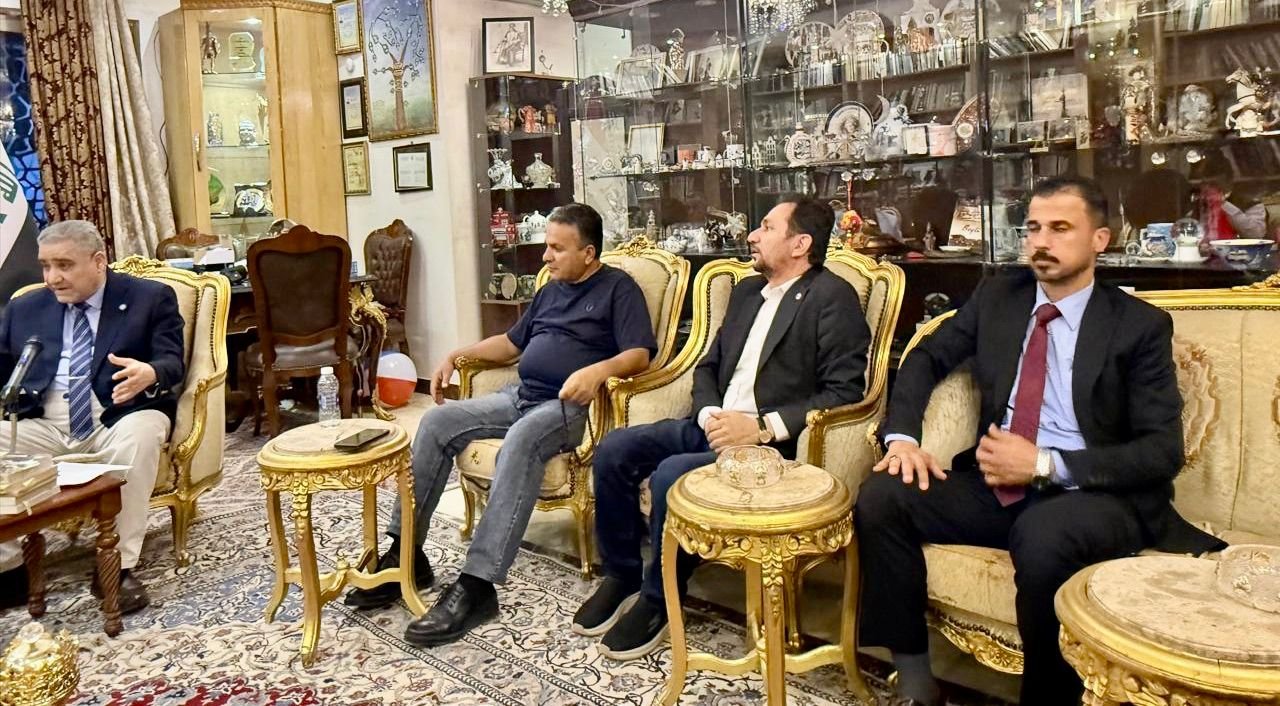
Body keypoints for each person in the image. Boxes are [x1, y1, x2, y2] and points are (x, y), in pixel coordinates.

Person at [857, 175, 1226, 706]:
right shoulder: (999, 297)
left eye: (1060, 229)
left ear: (1100, 239)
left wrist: (1045, 464)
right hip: (996, 484)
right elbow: (927, 356)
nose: (1041, 242)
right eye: (1033, 228)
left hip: (1094, 494)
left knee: (1043, 534)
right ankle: (916, 680)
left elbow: (1160, 451)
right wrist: (902, 440)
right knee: (883, 495)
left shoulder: (1137, 326)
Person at [572, 194, 872, 661]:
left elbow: (844, 391)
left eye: (767, 228)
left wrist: (761, 428)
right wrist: (709, 413)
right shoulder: (748, 291)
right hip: (712, 425)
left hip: (769, 450)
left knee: (671, 474)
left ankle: (659, 599)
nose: (752, 235)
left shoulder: (832, 298)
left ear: (800, 245)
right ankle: (622, 573)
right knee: (614, 448)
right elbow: (709, 366)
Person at [344, 203, 657, 647]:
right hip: (519, 396)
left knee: (522, 439)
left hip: (568, 407)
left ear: (588, 253)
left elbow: (640, 353)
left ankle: (478, 584)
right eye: (547, 246)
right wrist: (458, 354)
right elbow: (511, 345)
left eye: (557, 248)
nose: (545, 256)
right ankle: (405, 555)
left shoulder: (618, 289)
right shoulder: (550, 290)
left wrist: (598, 371)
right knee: (436, 421)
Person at [0, 220, 186, 614]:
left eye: (64, 265)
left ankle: (116, 566)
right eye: (46, 265)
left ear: (99, 261)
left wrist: (150, 372)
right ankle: (10, 570)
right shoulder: (25, 308)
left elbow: (173, 362)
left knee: (140, 435)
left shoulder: (150, 298)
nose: (52, 277)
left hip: (117, 414)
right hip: (44, 421)